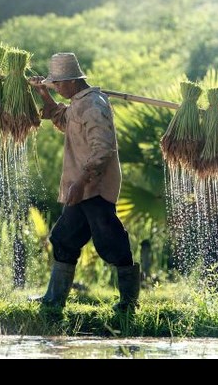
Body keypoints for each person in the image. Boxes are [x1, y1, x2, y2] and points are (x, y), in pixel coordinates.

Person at [30, 52, 140, 311]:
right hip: (80, 188)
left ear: (72, 81)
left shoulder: (93, 106)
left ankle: (128, 303)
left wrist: (80, 182)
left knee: (111, 242)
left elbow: (103, 150)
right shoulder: (79, 102)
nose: (55, 88)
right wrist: (44, 95)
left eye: (57, 84)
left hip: (95, 188)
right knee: (63, 239)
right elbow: (62, 120)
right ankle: (53, 301)